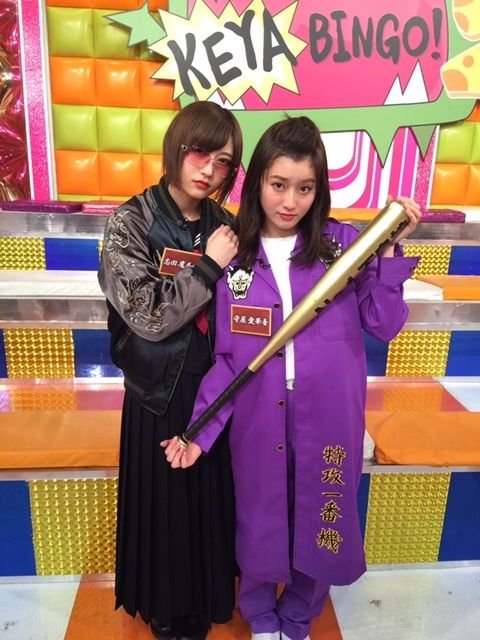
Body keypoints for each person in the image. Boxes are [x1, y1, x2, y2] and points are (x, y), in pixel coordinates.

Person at [162, 116, 422, 640]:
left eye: (305, 188)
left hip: (329, 417)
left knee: (325, 516)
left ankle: (299, 617)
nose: (290, 202)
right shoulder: (236, 257)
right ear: (257, 180)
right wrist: (199, 431)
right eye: (278, 185)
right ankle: (261, 618)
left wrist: (389, 249)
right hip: (258, 417)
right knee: (259, 519)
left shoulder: (344, 246)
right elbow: (230, 360)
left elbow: (384, 323)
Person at [98, 100, 243, 640]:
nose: (209, 169)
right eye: (200, 153)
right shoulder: (130, 221)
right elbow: (147, 315)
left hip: (212, 388)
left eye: (224, 161)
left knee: (206, 501)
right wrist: (208, 268)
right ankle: (163, 606)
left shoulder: (226, 225)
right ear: (177, 149)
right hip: (156, 391)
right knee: (163, 505)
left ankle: (203, 600)